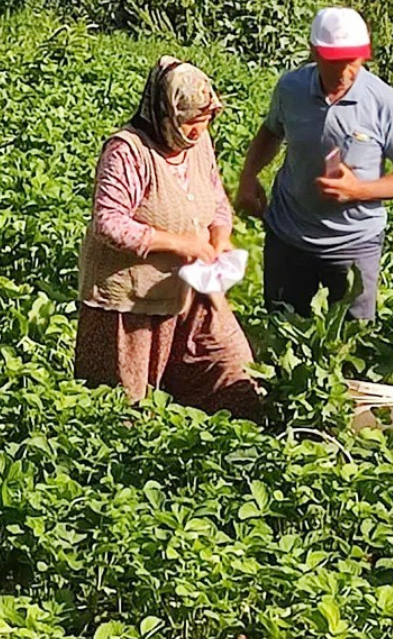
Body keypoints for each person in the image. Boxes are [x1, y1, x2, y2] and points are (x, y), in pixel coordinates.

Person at [75, 56, 262, 420]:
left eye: (204, 122)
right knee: (124, 410)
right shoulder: (128, 150)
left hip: (192, 290)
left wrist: (220, 237)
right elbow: (108, 222)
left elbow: (216, 197)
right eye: (190, 122)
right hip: (130, 302)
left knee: (234, 372)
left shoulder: (201, 143)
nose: (197, 132)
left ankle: (236, 448)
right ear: (166, 114)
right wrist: (180, 244)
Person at [236, 7, 393, 320]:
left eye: (351, 62)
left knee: (351, 340)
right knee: (280, 327)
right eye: (332, 62)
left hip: (354, 242)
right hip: (289, 233)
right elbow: (271, 130)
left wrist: (358, 190)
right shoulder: (291, 89)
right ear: (314, 53)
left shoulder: (386, 103)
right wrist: (248, 175)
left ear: (365, 56)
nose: (343, 72)